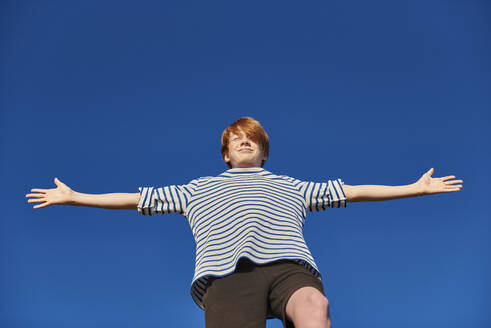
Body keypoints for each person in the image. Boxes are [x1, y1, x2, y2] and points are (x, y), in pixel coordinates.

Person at [26, 117, 463, 328]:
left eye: (251, 139)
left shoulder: (290, 185)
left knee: (316, 308)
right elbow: (137, 198)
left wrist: (413, 188)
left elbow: (350, 190)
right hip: (225, 276)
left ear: (263, 151)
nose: (244, 142)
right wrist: (74, 197)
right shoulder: (196, 189)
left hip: (288, 265)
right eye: (236, 140)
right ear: (225, 155)